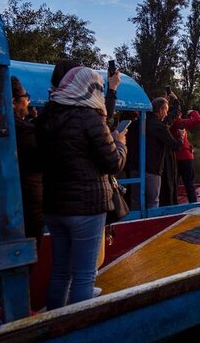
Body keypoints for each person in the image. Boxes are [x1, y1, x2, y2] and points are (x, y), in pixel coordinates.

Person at [36, 66, 127, 309]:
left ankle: (53, 322)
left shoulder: (47, 117)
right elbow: (113, 163)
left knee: (60, 272)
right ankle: (78, 328)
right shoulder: (90, 119)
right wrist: (120, 145)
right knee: (85, 276)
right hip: (87, 207)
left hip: (55, 206)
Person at [10, 76, 45, 248]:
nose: (28, 101)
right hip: (27, 209)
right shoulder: (23, 131)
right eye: (26, 97)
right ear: (13, 101)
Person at [144, 97, 182, 207]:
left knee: (137, 200)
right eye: (165, 110)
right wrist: (181, 137)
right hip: (153, 168)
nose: (166, 113)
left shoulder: (143, 122)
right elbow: (175, 145)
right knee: (154, 201)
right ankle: (153, 222)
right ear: (160, 110)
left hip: (139, 168)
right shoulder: (160, 126)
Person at [169, 103, 200, 203]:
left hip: (173, 158)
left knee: (172, 184)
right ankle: (194, 205)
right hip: (184, 158)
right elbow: (197, 120)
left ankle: (172, 206)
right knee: (189, 184)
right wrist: (192, 112)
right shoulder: (177, 122)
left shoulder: (166, 122)